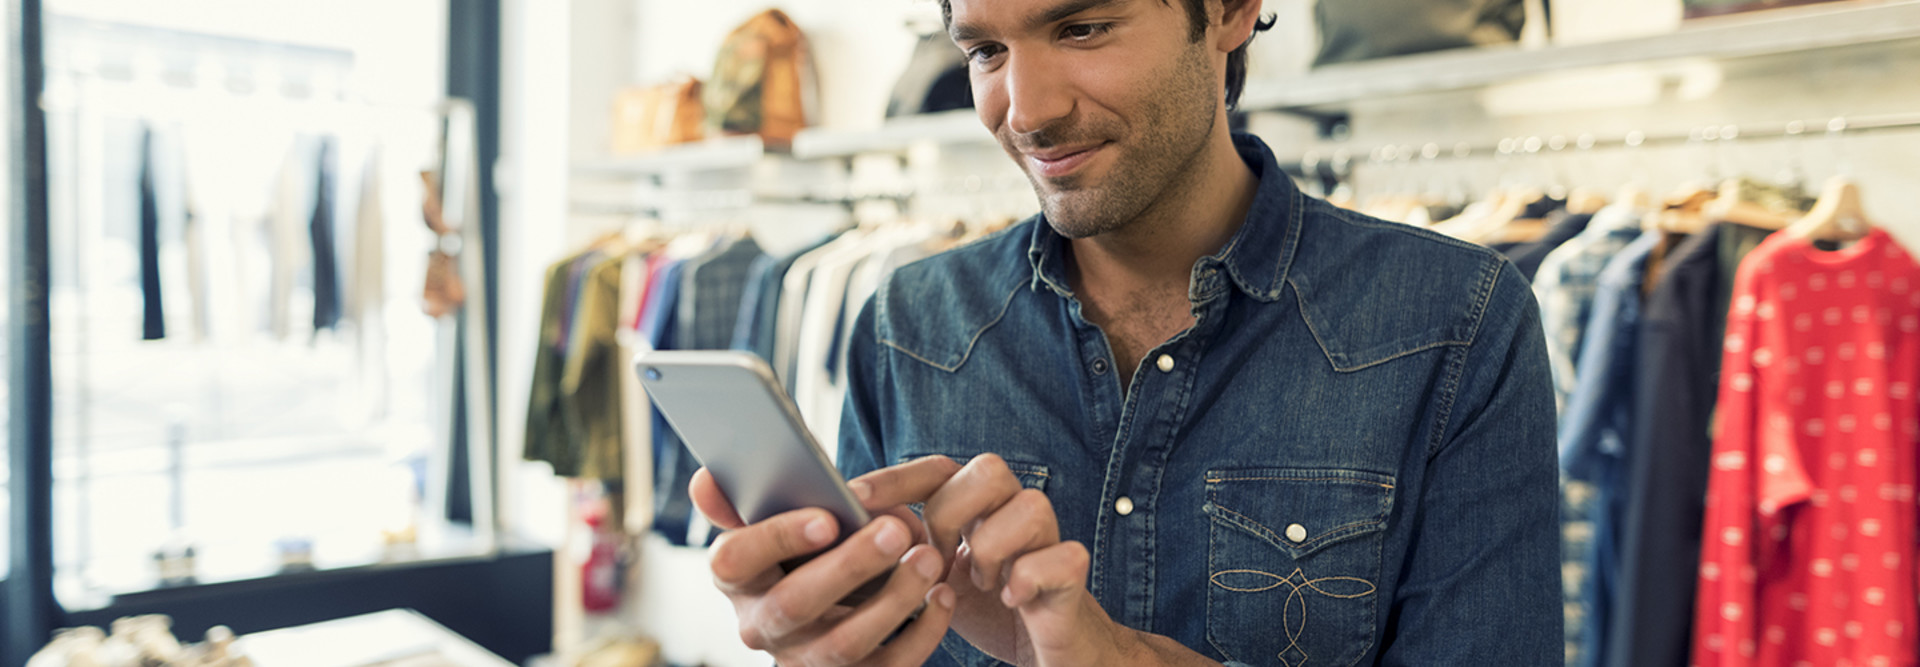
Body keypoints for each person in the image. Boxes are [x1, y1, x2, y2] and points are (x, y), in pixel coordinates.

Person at [689, 0, 1562, 664]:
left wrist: (1119, 656)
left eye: (1082, 28)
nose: (1025, 111)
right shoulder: (910, 321)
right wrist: (828, 639)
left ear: (1225, 11)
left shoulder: (1457, 322)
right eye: (986, 50)